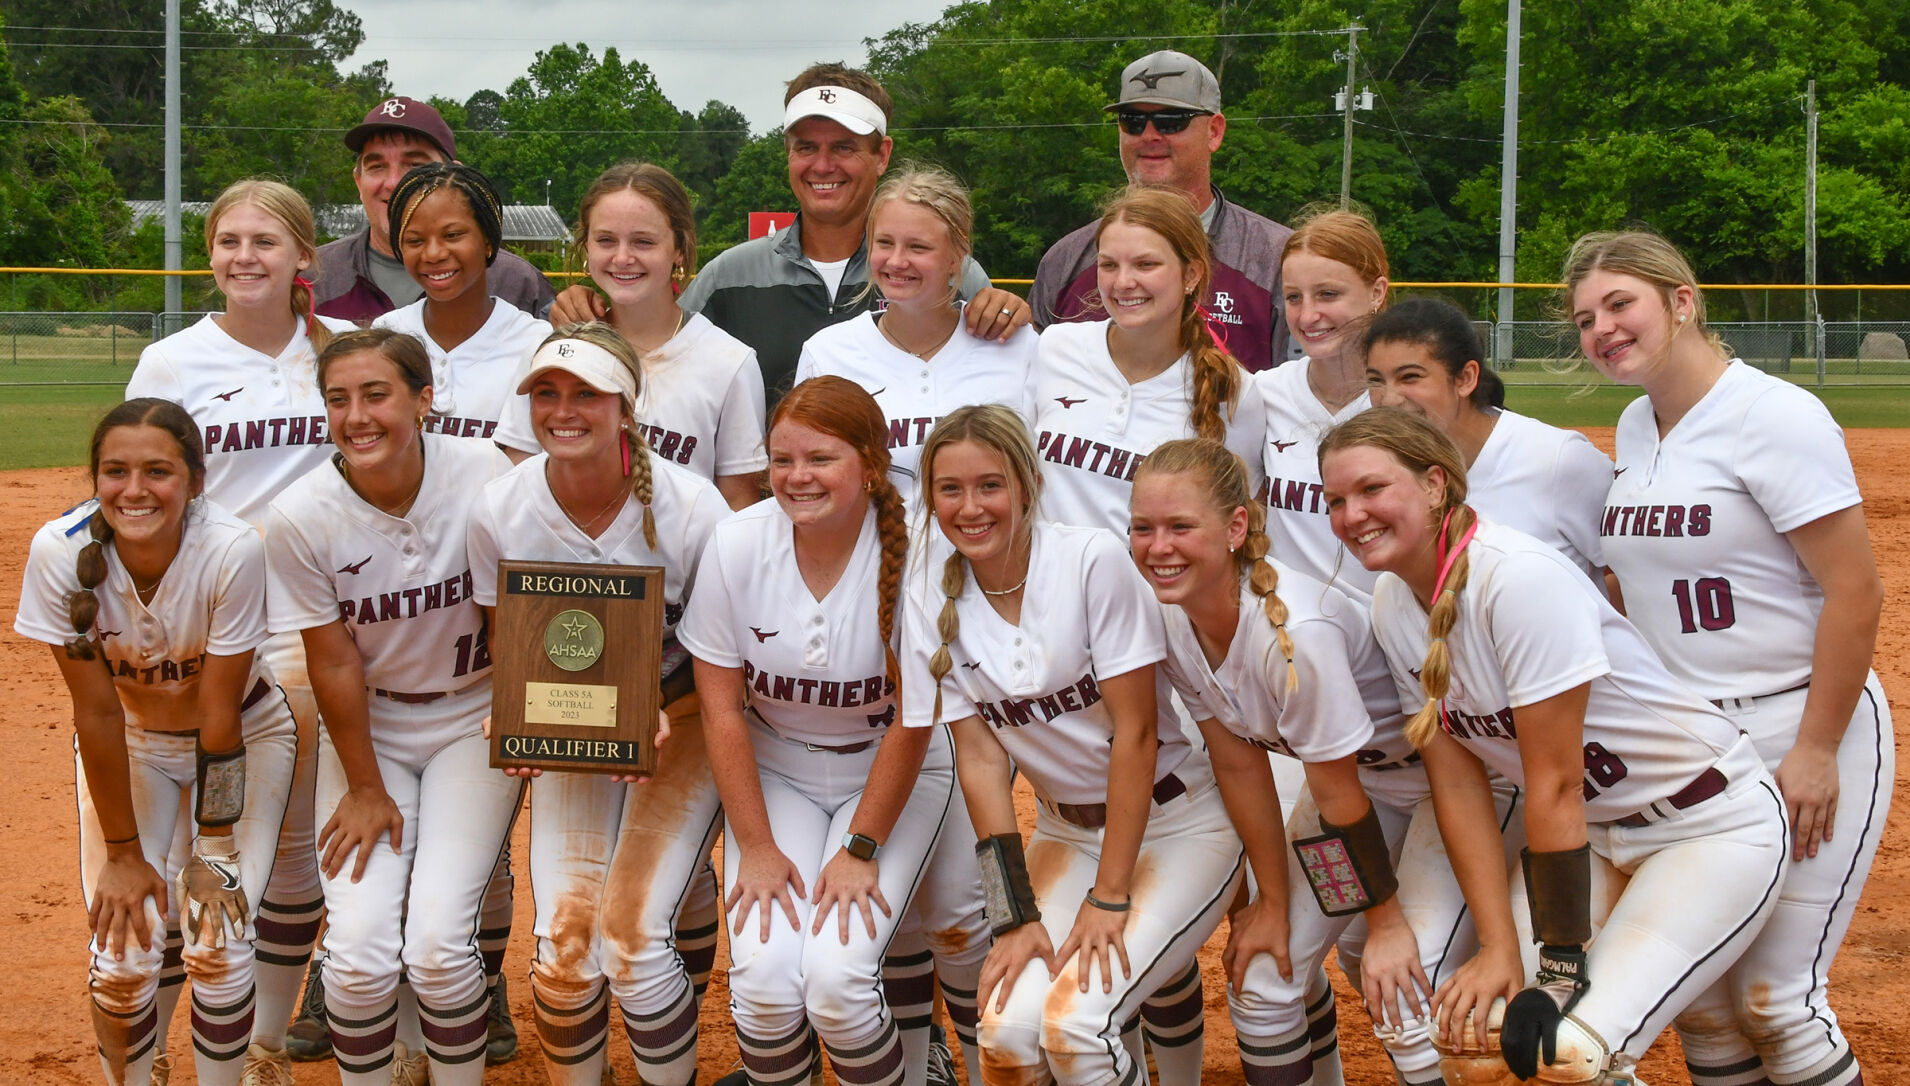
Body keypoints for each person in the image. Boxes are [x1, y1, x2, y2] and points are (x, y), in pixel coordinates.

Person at [1320, 406, 1790, 1086]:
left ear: (1433, 484)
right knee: (1480, 1047)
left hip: (1708, 827)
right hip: (1594, 839)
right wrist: (1499, 948)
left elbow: (1554, 785)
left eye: (1371, 489)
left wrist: (1559, 965)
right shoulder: (1394, 601)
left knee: (1562, 1050)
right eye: (1336, 500)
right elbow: (1457, 785)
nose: (1351, 514)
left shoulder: (1517, 578)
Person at [1566, 231, 1892, 1086]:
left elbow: (1855, 594)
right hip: (1694, 742)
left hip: (1800, 718)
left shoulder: (1772, 414)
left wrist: (1817, 749)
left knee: (1775, 1002)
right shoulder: (1636, 426)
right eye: (1585, 318)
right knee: (1705, 1004)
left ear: (1682, 300)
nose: (1601, 328)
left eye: (1619, 304)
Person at [900, 404, 1244, 1086]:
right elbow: (981, 760)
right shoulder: (927, 596)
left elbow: (1136, 734)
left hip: (1177, 824)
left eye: (989, 485)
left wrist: (1109, 895)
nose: (970, 507)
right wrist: (1013, 914)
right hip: (1065, 832)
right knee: (1005, 1027)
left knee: (1077, 1027)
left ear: (1027, 486)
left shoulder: (1089, 560)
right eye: (950, 489)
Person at [682, 376, 987, 1086]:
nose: (796, 477)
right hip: (779, 771)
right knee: (760, 982)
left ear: (871, 464)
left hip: (893, 772)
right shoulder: (737, 542)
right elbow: (722, 710)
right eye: (782, 459)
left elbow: (914, 721)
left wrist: (860, 848)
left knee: (838, 980)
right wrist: (754, 846)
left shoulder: (919, 549)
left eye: (821, 459)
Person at [124, 178, 355, 1082]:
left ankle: (260, 1044)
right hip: (209, 619)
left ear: (306, 258)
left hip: (308, 622)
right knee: (191, 843)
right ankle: (154, 1032)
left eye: (266, 241)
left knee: (292, 853)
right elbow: (141, 497)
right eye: (228, 241)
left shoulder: (337, 355)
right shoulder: (173, 363)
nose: (243, 258)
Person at [466, 324, 732, 1086]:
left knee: (637, 944)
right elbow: (504, 642)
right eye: (546, 393)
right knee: (565, 952)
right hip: (572, 738)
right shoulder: (501, 507)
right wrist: (515, 715)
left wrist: (652, 700)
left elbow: (724, 662)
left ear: (626, 408)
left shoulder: (691, 507)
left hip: (681, 725)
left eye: (586, 393)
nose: (564, 409)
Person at [263, 329, 521, 1086]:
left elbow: (519, 606)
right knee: (357, 957)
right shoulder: (301, 513)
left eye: (375, 394)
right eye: (338, 399)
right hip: (369, 726)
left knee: (439, 947)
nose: (356, 415)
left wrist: (519, 713)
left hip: (472, 719)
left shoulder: (484, 473)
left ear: (424, 400)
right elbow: (333, 659)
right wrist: (366, 786)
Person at [15, 399, 297, 1086]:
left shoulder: (232, 548)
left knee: (217, 942)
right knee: (122, 957)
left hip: (243, 737)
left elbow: (218, 712)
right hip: (133, 744)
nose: (135, 490)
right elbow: (98, 714)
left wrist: (215, 848)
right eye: (115, 471)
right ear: (95, 477)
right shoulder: (58, 552)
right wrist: (121, 855)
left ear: (196, 480)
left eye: (158, 471)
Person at [550, 62, 1032, 403]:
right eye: (806, 147)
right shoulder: (730, 276)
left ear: (882, 154)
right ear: (787, 152)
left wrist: (1007, 311)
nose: (823, 165)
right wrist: (594, 313)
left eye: (843, 147)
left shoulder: (949, 274)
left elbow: (996, 362)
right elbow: (660, 357)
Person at [497, 162, 766, 508]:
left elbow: (737, 506)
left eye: (643, 241)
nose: (623, 258)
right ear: (586, 246)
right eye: (606, 240)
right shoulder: (551, 347)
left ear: (679, 249)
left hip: (682, 562)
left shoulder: (729, 363)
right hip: (559, 559)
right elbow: (518, 482)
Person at [1031, 50, 1293, 373]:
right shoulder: (1065, 261)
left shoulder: (1276, 260)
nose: (1149, 136)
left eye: (1171, 121)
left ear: (1214, 131)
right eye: (1133, 121)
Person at [1027, 186, 1265, 534]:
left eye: (1146, 264)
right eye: (1108, 265)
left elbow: (1238, 525)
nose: (1123, 282)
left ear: (1192, 274)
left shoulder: (1233, 392)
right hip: (1047, 586)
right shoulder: (1056, 348)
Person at [795, 166, 1038, 506]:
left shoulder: (1013, 344)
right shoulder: (828, 352)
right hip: (872, 557)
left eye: (917, 247)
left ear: (956, 256)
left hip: (989, 556)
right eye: (884, 243)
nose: (896, 261)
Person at [1360, 296, 1613, 584]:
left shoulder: (1557, 460)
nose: (1389, 399)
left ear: (1465, 378)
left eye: (1410, 377)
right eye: (1376, 381)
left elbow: (1629, 580)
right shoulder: (1385, 469)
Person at [313, 96, 554, 324]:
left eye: (416, 165)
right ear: (358, 181)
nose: (394, 182)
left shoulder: (517, 283)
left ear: (457, 177)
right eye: (377, 166)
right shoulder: (316, 278)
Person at [1256, 209, 1390, 608]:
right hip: (1292, 638)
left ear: (1377, 293)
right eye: (1295, 297)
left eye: (1328, 294)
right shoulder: (1263, 395)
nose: (1308, 315)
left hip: (1395, 640)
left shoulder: (1408, 404)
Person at [371, 162, 553, 443]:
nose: (433, 254)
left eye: (452, 235)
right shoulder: (386, 333)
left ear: (488, 240)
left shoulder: (534, 342)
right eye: (415, 240)